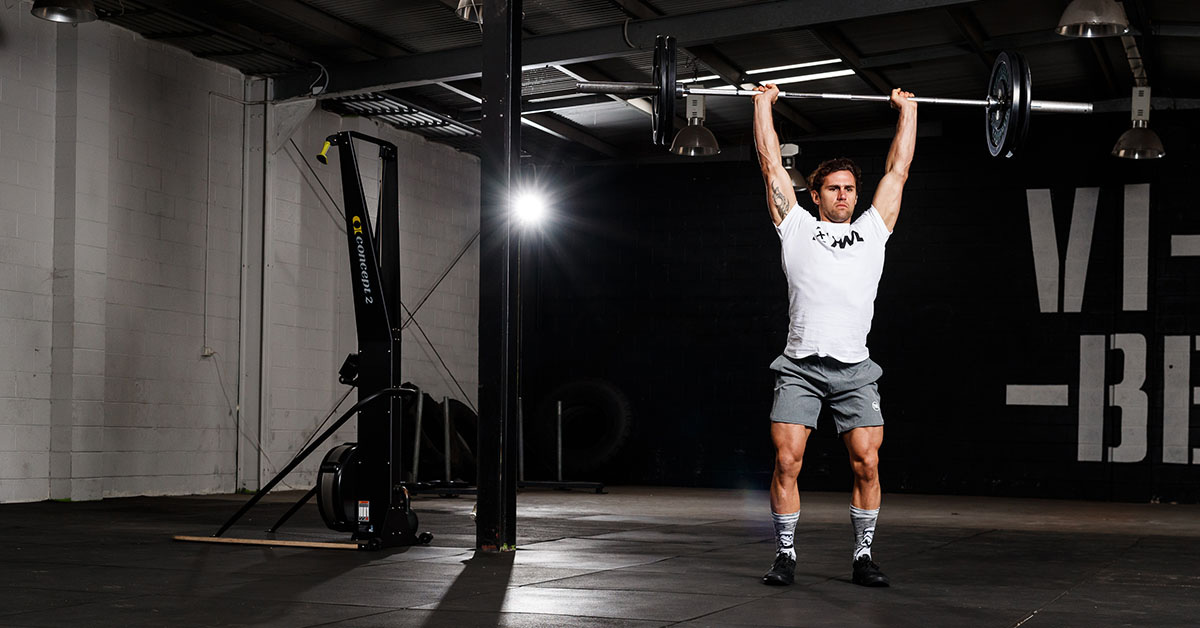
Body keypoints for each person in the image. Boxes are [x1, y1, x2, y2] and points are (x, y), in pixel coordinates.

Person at [751, 83, 917, 588]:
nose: (843, 195)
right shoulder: (795, 226)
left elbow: (899, 170)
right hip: (800, 364)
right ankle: (785, 555)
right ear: (816, 194)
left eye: (849, 188)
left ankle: (863, 556)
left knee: (867, 463)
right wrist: (762, 105)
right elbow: (770, 165)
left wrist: (907, 111)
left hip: (854, 367)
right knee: (786, 460)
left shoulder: (874, 230)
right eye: (833, 188)